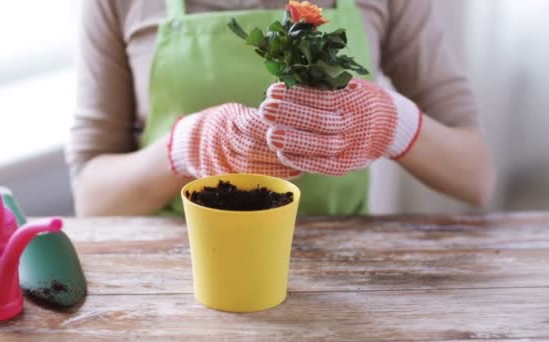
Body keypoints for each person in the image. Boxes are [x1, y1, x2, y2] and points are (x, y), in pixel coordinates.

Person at [66, 0, 495, 216]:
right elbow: (92, 198)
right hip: (180, 275)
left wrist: (393, 124)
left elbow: (476, 176)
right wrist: (186, 149)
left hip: (349, 278)